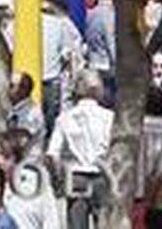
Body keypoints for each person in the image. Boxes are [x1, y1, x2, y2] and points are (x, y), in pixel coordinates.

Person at [49, 70, 114, 229]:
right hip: (102, 176)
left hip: (76, 177)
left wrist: (58, 178)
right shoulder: (109, 117)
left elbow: (52, 154)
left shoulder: (65, 118)